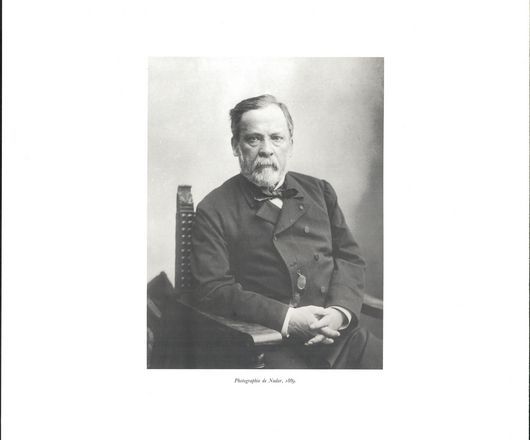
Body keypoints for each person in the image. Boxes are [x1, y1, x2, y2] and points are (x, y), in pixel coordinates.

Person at [190, 94, 382, 368]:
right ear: (236, 146)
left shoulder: (320, 191)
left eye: (276, 138)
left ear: (290, 144)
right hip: (269, 342)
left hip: (338, 336)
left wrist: (340, 312)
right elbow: (213, 290)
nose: (266, 150)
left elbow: (349, 259)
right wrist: (288, 319)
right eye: (253, 139)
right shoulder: (214, 209)